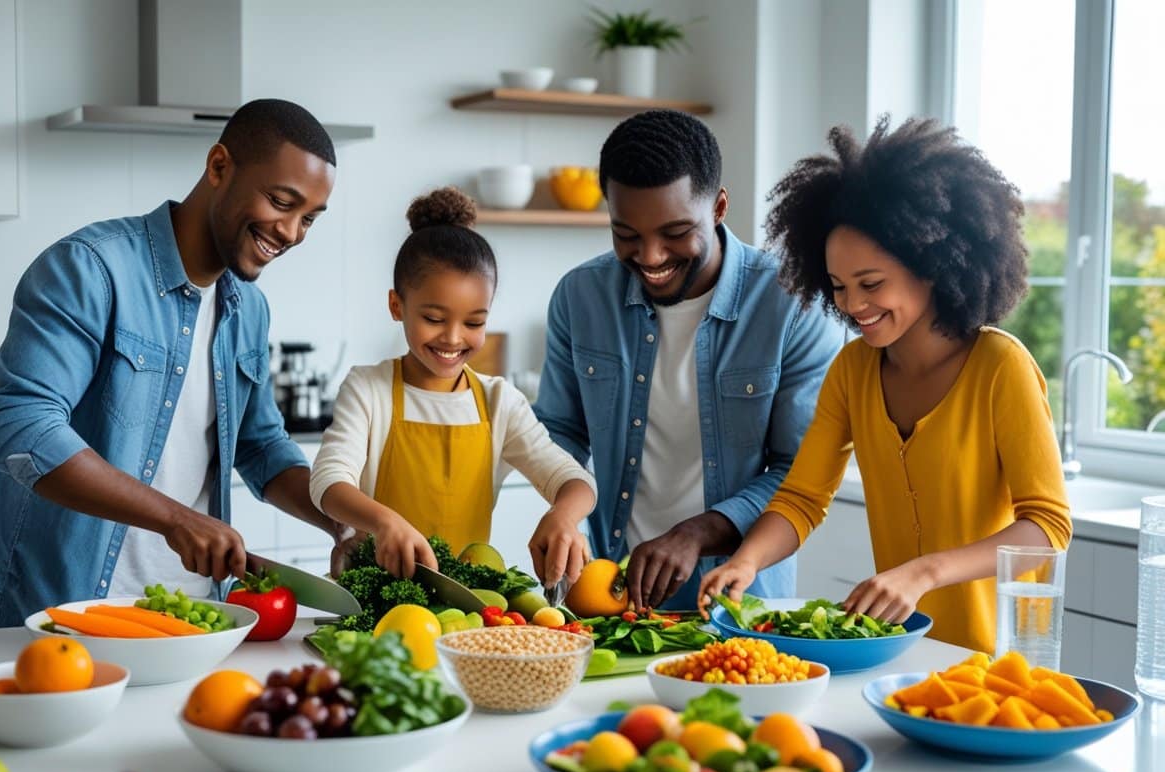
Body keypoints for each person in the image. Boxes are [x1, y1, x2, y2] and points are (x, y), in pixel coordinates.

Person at [698, 116, 1072, 653]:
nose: (851, 306)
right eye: (838, 288)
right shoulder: (852, 371)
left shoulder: (1000, 367)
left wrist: (923, 573)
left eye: (871, 284)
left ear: (933, 265)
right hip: (906, 653)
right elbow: (803, 498)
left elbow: (1049, 528)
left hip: (1000, 661)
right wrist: (746, 561)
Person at [0, 99, 345, 628]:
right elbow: (20, 429)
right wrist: (175, 519)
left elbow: (261, 446)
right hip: (70, 613)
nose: (291, 233)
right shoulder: (90, 269)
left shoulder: (249, 308)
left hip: (198, 616)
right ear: (219, 166)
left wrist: (342, 524)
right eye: (280, 201)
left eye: (308, 218)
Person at [533, 109, 844, 612]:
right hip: (609, 597)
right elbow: (558, 432)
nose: (651, 256)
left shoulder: (792, 302)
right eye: (626, 234)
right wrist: (564, 510)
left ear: (719, 206)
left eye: (675, 232)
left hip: (739, 606)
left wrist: (696, 534)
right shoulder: (579, 297)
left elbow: (800, 473)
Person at [309, 187, 597, 586]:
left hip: (466, 603)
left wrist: (563, 515)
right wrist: (385, 522)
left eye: (474, 322)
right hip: (373, 596)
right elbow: (328, 482)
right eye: (434, 317)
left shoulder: (500, 402)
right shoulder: (368, 388)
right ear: (397, 305)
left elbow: (573, 479)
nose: (453, 337)